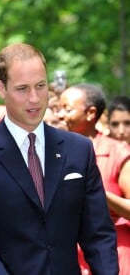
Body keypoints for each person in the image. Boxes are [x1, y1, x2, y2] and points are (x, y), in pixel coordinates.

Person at [0, 42, 118, 274]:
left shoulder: (78, 149)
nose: (34, 98)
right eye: (22, 89)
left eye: (41, 86)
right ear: (1, 88)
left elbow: (98, 234)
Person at [58, 83, 130, 275]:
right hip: (70, 255)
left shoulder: (117, 151)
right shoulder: (56, 151)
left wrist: (96, 193)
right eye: (58, 109)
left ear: (90, 113)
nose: (59, 115)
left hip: (114, 253)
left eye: (67, 109)